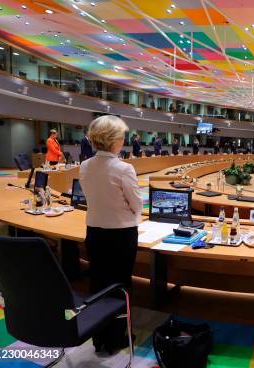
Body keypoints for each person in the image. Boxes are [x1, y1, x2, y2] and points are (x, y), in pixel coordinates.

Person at [79, 115, 142, 353]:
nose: (124, 140)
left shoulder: (85, 165)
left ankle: (99, 338)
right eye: (122, 137)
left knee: (98, 283)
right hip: (121, 236)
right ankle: (117, 338)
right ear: (114, 140)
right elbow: (136, 204)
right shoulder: (124, 168)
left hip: (94, 232)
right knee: (120, 286)